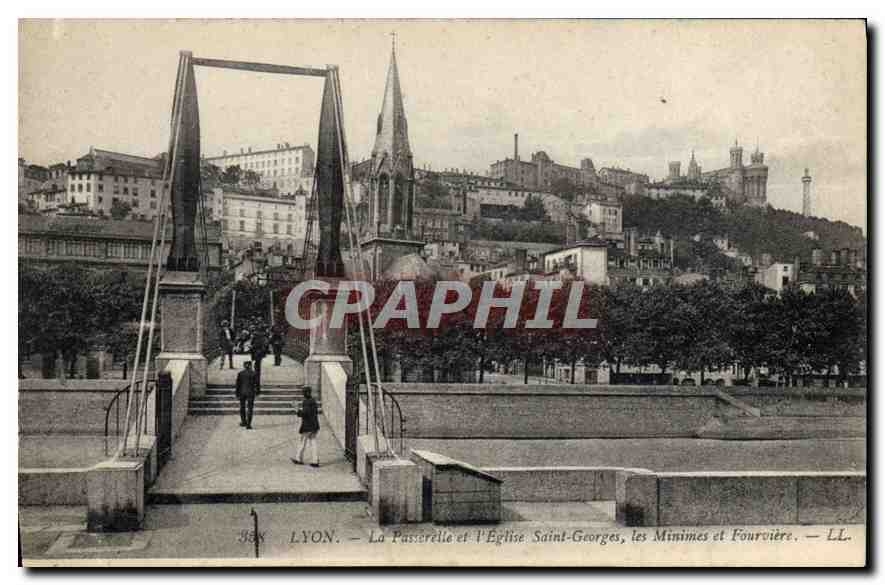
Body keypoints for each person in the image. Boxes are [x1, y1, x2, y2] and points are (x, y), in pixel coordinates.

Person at [292, 387, 320, 467]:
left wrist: (296, 408)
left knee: (302, 442)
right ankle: (315, 461)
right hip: (314, 425)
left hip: (307, 426)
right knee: (313, 443)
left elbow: (304, 414)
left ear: (305, 393)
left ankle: (298, 459)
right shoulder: (313, 401)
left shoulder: (306, 402)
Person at [235, 361, 257, 429]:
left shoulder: (240, 373)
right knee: (250, 408)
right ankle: (249, 424)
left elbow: (238, 384)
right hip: (251, 392)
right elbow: (256, 384)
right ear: (251, 366)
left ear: (244, 366)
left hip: (242, 392)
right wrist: (257, 392)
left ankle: (243, 421)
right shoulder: (254, 373)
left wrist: (237, 393)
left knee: (242, 407)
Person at [250, 326, 268, 395]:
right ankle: (257, 389)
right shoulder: (262, 337)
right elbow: (264, 345)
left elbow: (254, 345)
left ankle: (256, 389)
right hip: (259, 356)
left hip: (256, 356)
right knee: (257, 372)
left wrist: (251, 347)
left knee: (256, 373)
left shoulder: (256, 337)